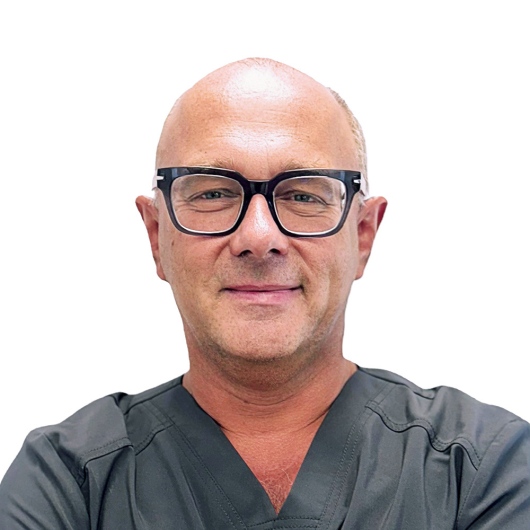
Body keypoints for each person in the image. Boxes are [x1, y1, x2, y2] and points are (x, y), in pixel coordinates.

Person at [1, 58, 529, 529]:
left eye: (303, 195)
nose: (258, 237)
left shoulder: (482, 469)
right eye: (213, 192)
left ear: (363, 235)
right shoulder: (69, 482)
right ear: (157, 236)